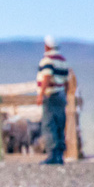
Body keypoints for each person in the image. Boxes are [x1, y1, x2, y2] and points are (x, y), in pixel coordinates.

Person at [36, 36, 69, 164]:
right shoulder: (63, 60)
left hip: (51, 95)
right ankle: (59, 155)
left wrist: (41, 94)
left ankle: (52, 155)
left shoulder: (48, 60)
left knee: (49, 124)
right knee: (60, 123)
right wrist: (65, 94)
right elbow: (66, 80)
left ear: (47, 46)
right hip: (61, 95)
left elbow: (47, 76)